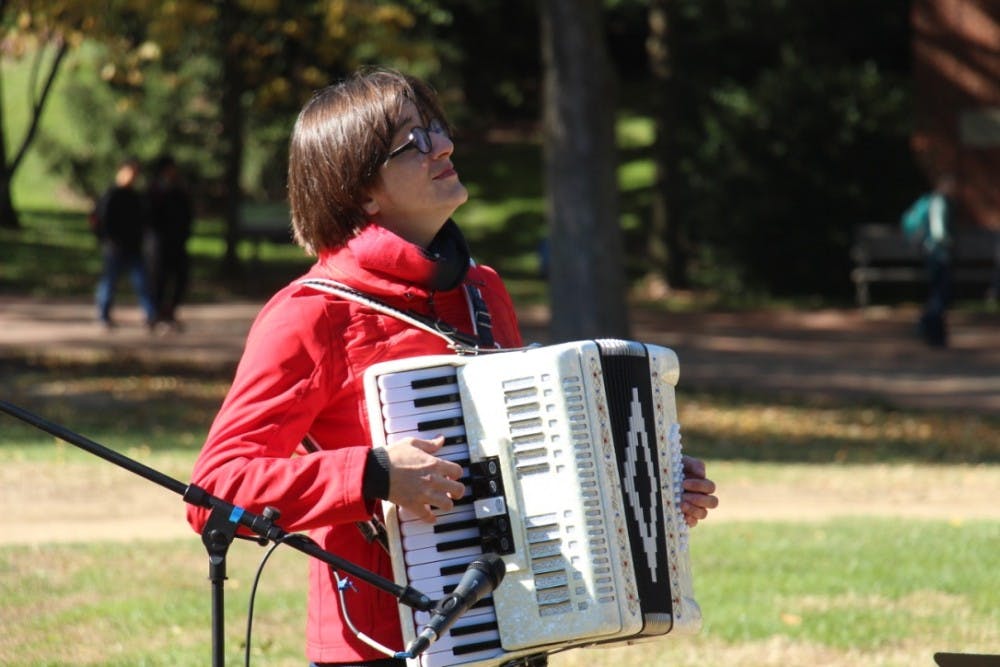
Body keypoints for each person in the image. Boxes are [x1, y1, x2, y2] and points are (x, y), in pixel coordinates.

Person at [185, 68, 718, 667]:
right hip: (382, 643)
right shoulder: (310, 316)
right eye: (413, 141)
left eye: (436, 128)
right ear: (360, 190)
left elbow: (530, 463)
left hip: (513, 630)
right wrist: (373, 474)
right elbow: (214, 494)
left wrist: (644, 482)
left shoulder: (482, 290)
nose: (443, 145)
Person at [93, 157, 158, 329]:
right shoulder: (110, 195)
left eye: (135, 174)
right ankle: (103, 316)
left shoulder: (136, 197)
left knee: (142, 282)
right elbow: (99, 220)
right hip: (114, 247)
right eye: (130, 172)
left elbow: (144, 220)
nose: (132, 177)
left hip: (133, 247)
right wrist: (106, 240)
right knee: (109, 282)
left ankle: (151, 316)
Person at [901, 173, 956, 347]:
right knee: (940, 294)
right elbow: (938, 231)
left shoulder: (931, 201)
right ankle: (930, 327)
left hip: (930, 254)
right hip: (938, 255)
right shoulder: (939, 202)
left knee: (937, 293)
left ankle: (930, 328)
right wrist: (950, 243)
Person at [147, 154, 194, 330]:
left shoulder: (179, 189)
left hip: (177, 242)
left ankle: (170, 312)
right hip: (158, 243)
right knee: (158, 279)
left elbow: (187, 213)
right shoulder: (155, 190)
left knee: (180, 278)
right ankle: (156, 314)